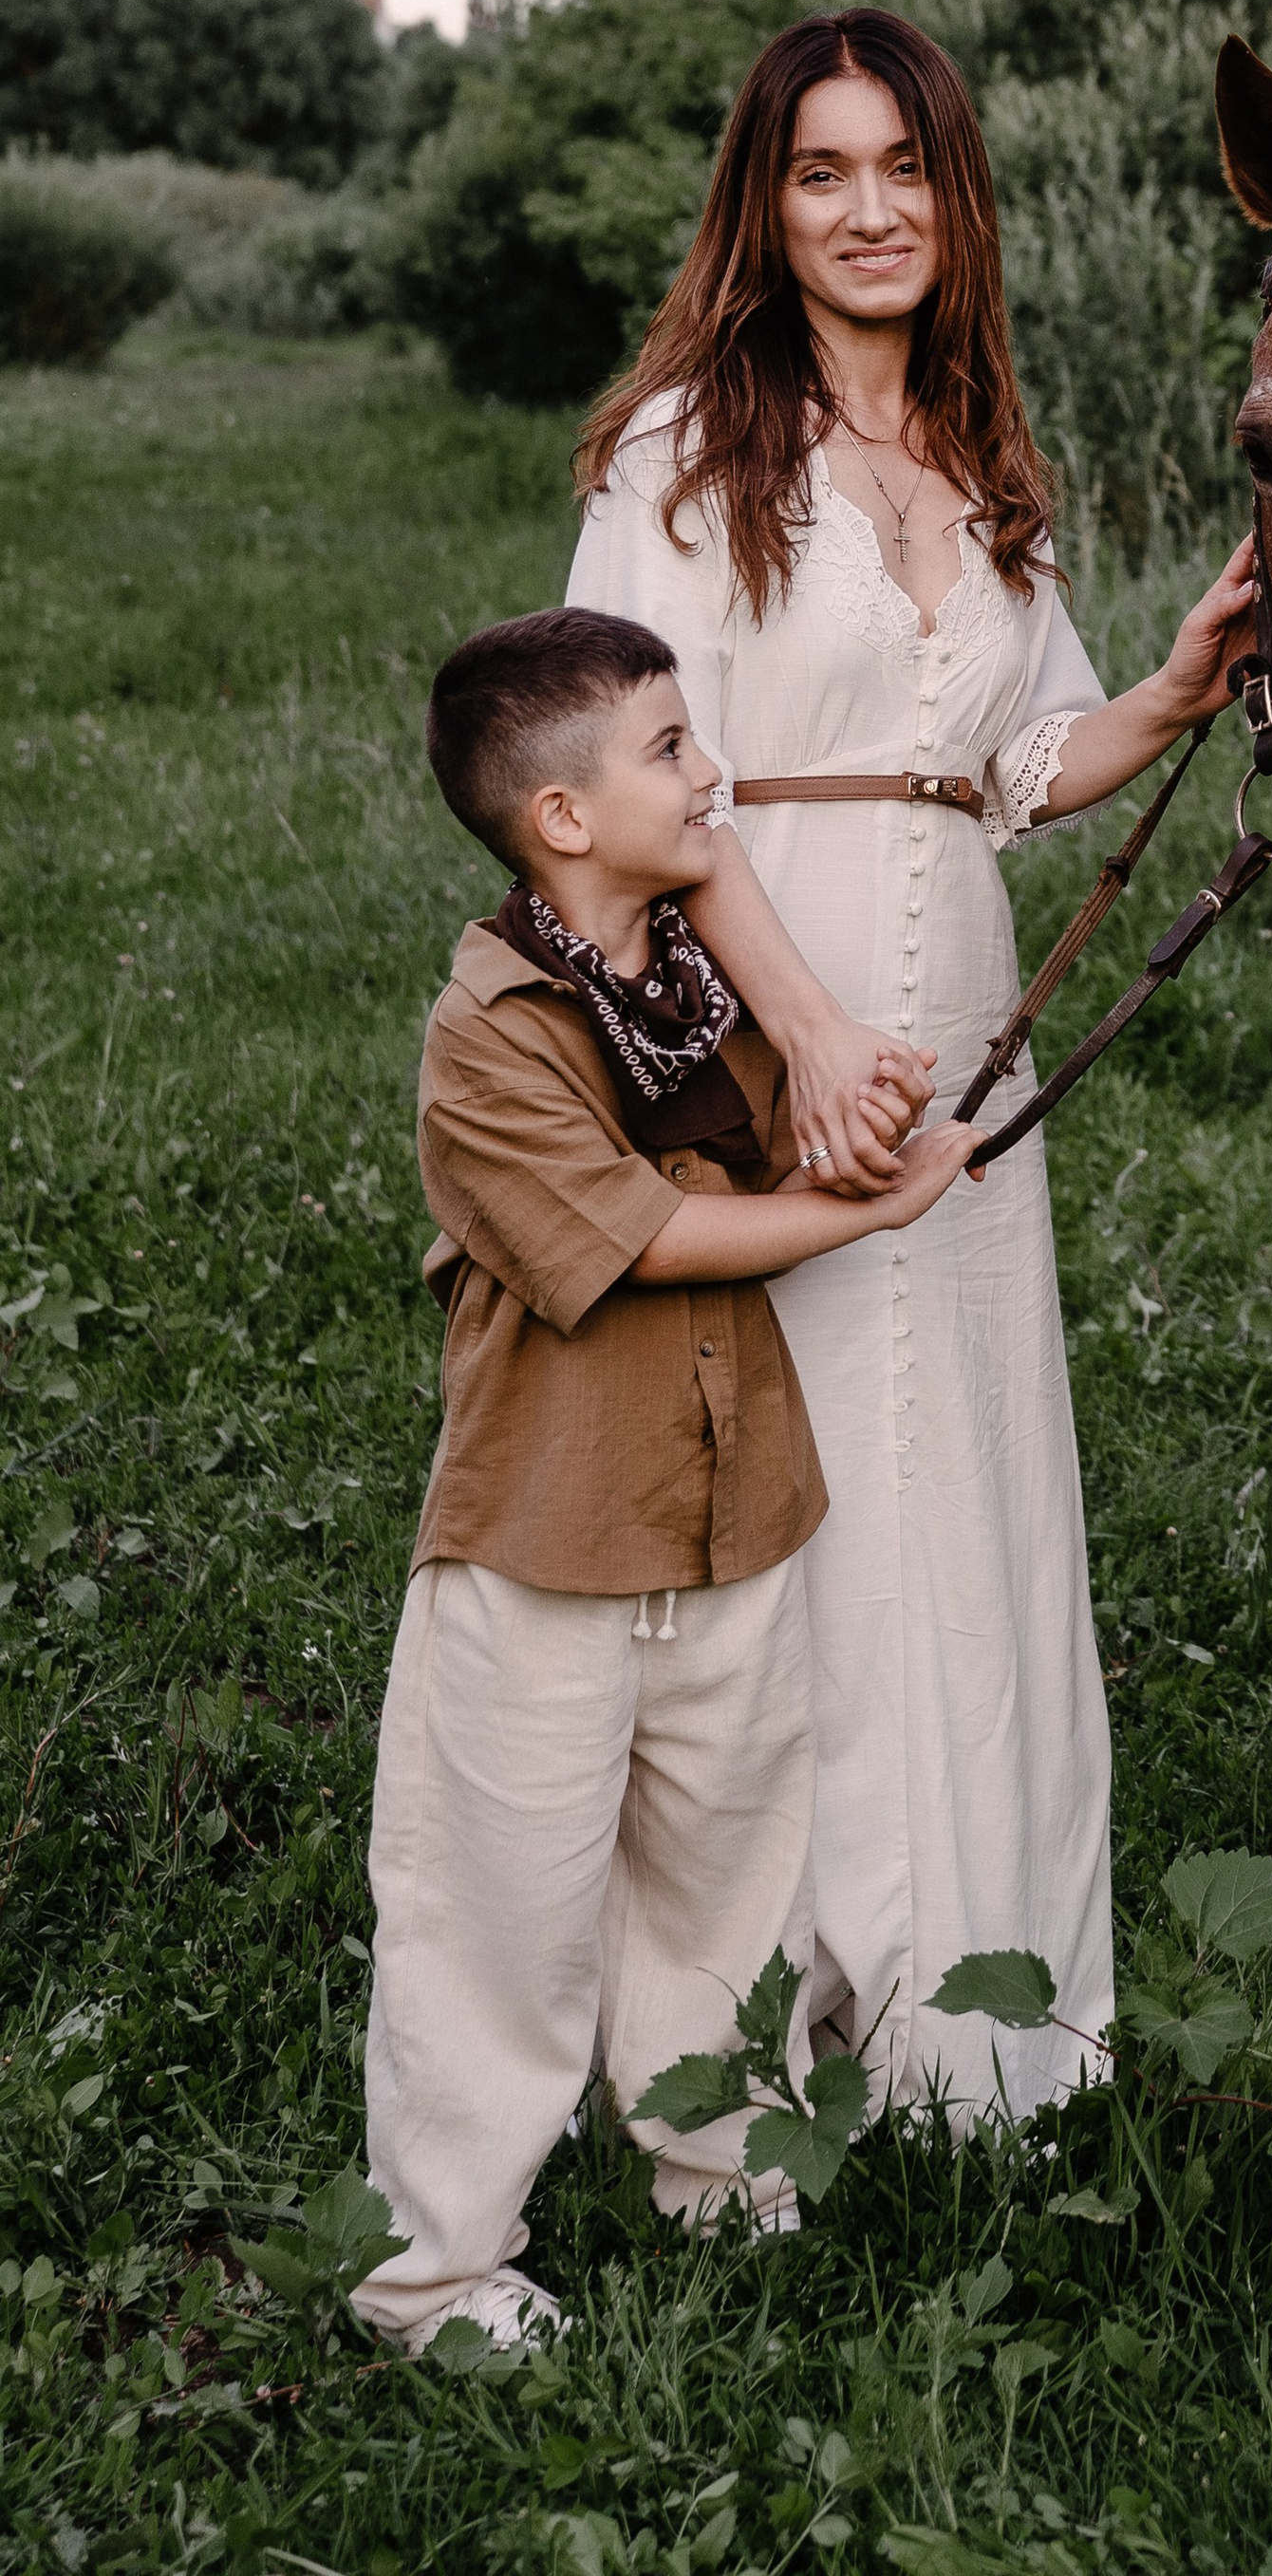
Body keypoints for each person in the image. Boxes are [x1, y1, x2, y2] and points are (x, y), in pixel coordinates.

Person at [566, 9, 1253, 2119]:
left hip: (947, 1022)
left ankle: (989, 2005)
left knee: (963, 1477)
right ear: (761, 208)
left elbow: (1008, 766)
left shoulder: (976, 459)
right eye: (820, 174)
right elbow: (635, 774)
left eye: (904, 172)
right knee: (807, 1490)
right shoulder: (687, 450)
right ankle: (778, 2019)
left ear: (956, 199)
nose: (870, 213)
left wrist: (1173, 682)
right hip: (773, 1015)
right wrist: (807, 1031)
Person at [355, 606, 982, 2355]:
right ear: (562, 818)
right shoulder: (488, 1035)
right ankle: (436, 2271)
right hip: (548, 1540)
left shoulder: (693, 995)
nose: (711, 776)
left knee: (726, 1887)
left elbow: (784, 1130)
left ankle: (720, 2180)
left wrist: (862, 1114)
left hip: (734, 1515)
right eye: (671, 750)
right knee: (499, 1914)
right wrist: (871, 1206)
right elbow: (641, 1241)